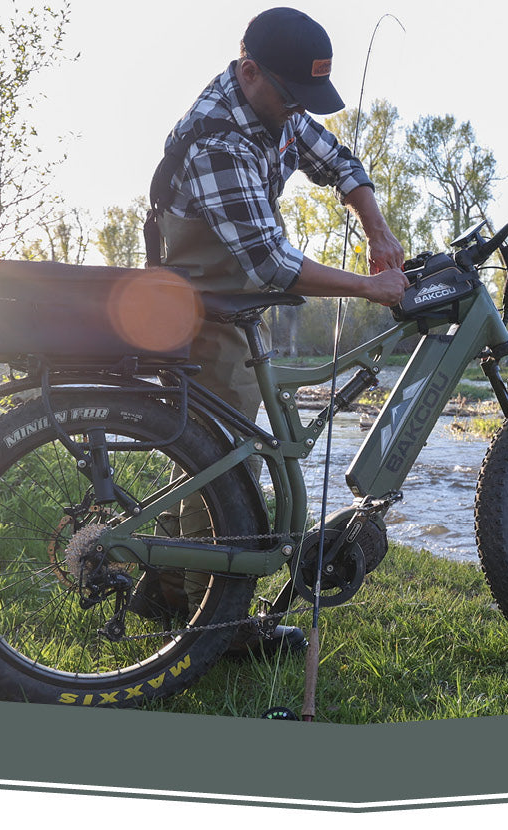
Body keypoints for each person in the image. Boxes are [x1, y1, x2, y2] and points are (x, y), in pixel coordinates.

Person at [134, 7, 408, 656]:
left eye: (306, 99)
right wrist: (369, 288)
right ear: (249, 70)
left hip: (232, 304)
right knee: (221, 470)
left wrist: (377, 227)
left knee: (205, 454)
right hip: (200, 316)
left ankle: (166, 589)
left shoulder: (274, 105)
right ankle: (217, 629)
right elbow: (272, 263)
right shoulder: (217, 140)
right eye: (293, 96)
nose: (298, 111)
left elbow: (336, 158)